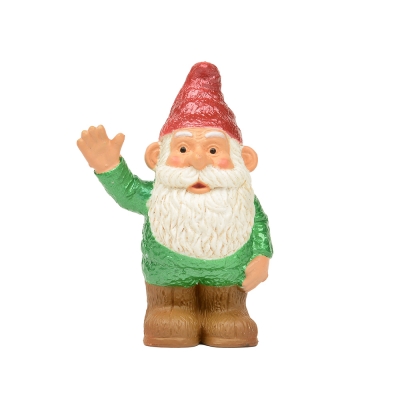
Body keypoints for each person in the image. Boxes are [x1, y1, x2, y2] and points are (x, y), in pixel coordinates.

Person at [77, 62, 273, 347]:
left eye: (213, 150)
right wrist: (109, 167)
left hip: (228, 278)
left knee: (229, 321)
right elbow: (128, 192)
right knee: (171, 319)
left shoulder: (242, 198)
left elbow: (259, 226)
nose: (198, 160)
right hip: (166, 278)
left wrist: (262, 257)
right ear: (156, 156)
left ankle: (226, 311)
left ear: (245, 160)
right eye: (183, 148)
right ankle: (167, 308)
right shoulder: (159, 194)